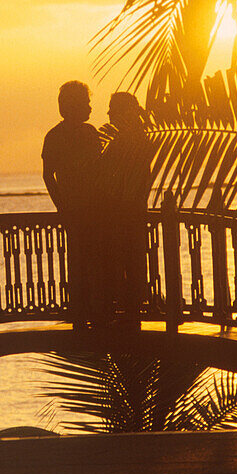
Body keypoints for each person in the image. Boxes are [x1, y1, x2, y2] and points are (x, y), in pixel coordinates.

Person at [42, 81, 102, 329]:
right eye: (86, 103)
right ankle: (82, 313)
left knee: (92, 261)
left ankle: (93, 311)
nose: (90, 107)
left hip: (95, 208)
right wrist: (62, 206)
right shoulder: (57, 136)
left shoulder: (90, 133)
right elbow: (49, 175)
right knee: (81, 262)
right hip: (78, 210)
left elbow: (101, 170)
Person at [98, 92, 152, 331]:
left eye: (113, 110)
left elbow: (123, 178)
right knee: (131, 262)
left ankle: (129, 313)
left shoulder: (129, 140)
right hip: (130, 211)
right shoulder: (136, 138)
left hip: (125, 213)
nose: (109, 115)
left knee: (127, 262)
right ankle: (131, 311)